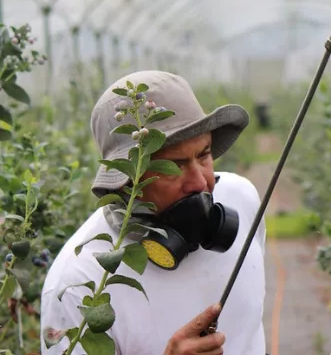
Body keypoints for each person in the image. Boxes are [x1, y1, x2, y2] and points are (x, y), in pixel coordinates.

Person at [38, 70, 267, 354]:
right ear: (127, 179)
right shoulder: (77, 285)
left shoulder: (242, 199)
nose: (201, 182)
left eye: (204, 154)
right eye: (174, 166)